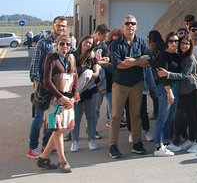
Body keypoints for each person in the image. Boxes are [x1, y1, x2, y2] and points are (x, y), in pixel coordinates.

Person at [108, 15, 151, 159]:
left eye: (133, 23)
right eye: (127, 23)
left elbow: (148, 61)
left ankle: (137, 143)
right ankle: (113, 145)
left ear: (136, 26)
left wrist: (132, 61)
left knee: (136, 115)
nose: (130, 26)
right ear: (123, 26)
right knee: (116, 116)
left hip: (137, 83)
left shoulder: (141, 42)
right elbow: (118, 64)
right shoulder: (116, 44)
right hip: (120, 84)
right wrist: (139, 61)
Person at [37, 34, 79, 173]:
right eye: (62, 44)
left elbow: (75, 78)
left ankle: (43, 158)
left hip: (66, 100)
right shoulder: (51, 58)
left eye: (67, 44)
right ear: (57, 45)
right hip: (53, 101)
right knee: (58, 129)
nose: (65, 47)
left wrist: (73, 95)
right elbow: (47, 82)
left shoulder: (70, 58)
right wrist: (61, 97)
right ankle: (62, 161)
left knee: (59, 129)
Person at [27, 16, 68, 159]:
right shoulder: (43, 43)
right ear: (53, 25)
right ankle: (32, 147)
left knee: (52, 120)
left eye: (63, 26)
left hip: (57, 90)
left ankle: (46, 145)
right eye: (59, 25)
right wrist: (36, 82)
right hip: (44, 88)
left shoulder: (66, 43)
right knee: (38, 118)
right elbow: (35, 63)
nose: (61, 28)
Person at [166, 34, 197, 153]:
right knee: (188, 116)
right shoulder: (179, 56)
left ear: (190, 45)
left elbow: (183, 75)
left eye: (187, 44)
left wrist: (167, 74)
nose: (184, 46)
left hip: (193, 90)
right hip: (182, 92)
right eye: (182, 43)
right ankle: (191, 139)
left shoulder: (191, 58)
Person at [152, 32, 182, 156]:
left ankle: (167, 142)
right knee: (162, 118)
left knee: (170, 117)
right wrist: (169, 92)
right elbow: (161, 75)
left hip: (175, 87)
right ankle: (158, 146)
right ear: (167, 43)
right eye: (171, 41)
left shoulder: (177, 55)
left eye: (176, 41)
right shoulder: (163, 56)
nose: (174, 43)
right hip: (165, 89)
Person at [71, 35, 101, 152]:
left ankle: (91, 140)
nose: (87, 45)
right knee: (76, 117)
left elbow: (96, 73)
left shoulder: (92, 57)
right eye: (86, 42)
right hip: (76, 92)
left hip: (90, 90)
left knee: (91, 116)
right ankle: (75, 142)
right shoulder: (73, 56)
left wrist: (87, 75)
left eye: (90, 44)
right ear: (81, 41)